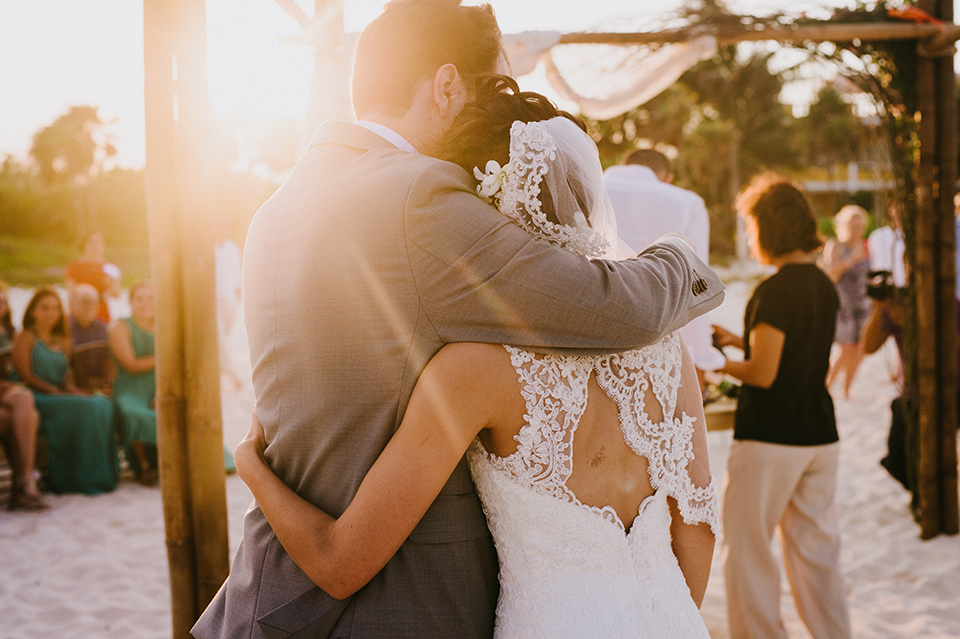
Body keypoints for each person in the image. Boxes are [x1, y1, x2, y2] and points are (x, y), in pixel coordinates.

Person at [193, 2, 723, 637]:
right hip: (399, 603)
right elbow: (609, 306)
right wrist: (680, 259)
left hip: (271, 588)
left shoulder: (278, 207)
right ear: (445, 86)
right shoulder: (419, 196)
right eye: (491, 88)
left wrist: (248, 463)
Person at [712, 174, 851, 639]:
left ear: (767, 230)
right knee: (816, 553)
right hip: (819, 435)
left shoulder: (773, 291)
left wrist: (718, 366)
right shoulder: (821, 285)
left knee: (749, 550)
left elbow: (764, 373)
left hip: (772, 437)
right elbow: (798, 350)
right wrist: (740, 342)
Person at [604, 149, 724, 391]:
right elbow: (696, 286)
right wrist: (700, 359)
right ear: (668, 177)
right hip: (660, 344)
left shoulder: (587, 188)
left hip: (593, 338)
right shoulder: (687, 203)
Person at [12, 287, 118, 495]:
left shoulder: (63, 340)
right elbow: (26, 376)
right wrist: (55, 392)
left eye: (55, 308)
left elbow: (67, 379)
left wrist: (76, 392)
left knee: (101, 404)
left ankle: (97, 475)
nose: (51, 313)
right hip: (34, 396)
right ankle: (71, 478)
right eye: (44, 308)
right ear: (33, 311)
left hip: (58, 395)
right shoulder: (25, 337)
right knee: (86, 409)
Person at [0, 281, 46, 510]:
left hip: (7, 390)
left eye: (4, 300)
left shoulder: (12, 332)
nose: (1, 304)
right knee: (24, 400)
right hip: (5, 389)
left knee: (15, 417)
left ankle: (22, 487)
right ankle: (26, 482)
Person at [108, 281, 158, 486]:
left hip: (161, 383)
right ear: (130, 302)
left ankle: (169, 462)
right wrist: (164, 356)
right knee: (133, 412)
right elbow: (130, 364)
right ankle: (143, 465)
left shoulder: (164, 324)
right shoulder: (119, 326)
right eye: (139, 299)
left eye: (150, 298)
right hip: (130, 386)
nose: (145, 303)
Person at [823, 204, 872, 398]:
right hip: (842, 304)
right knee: (846, 349)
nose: (856, 231)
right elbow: (831, 274)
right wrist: (852, 259)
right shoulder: (835, 245)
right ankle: (827, 385)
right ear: (844, 225)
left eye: (860, 226)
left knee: (860, 348)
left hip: (863, 304)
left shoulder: (866, 246)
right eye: (853, 226)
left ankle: (847, 388)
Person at [64, 230, 121, 323]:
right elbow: (71, 295)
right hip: (80, 312)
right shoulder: (75, 266)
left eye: (99, 242)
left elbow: (116, 294)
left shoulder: (110, 266)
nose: (96, 246)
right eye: (92, 242)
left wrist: (109, 284)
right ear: (85, 245)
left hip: (101, 312)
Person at [68, 283, 114, 394]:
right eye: (84, 302)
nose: (88, 306)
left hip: (102, 385)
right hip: (72, 386)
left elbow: (111, 360)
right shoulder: (63, 327)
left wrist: (108, 383)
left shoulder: (106, 329)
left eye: (93, 302)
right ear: (73, 304)